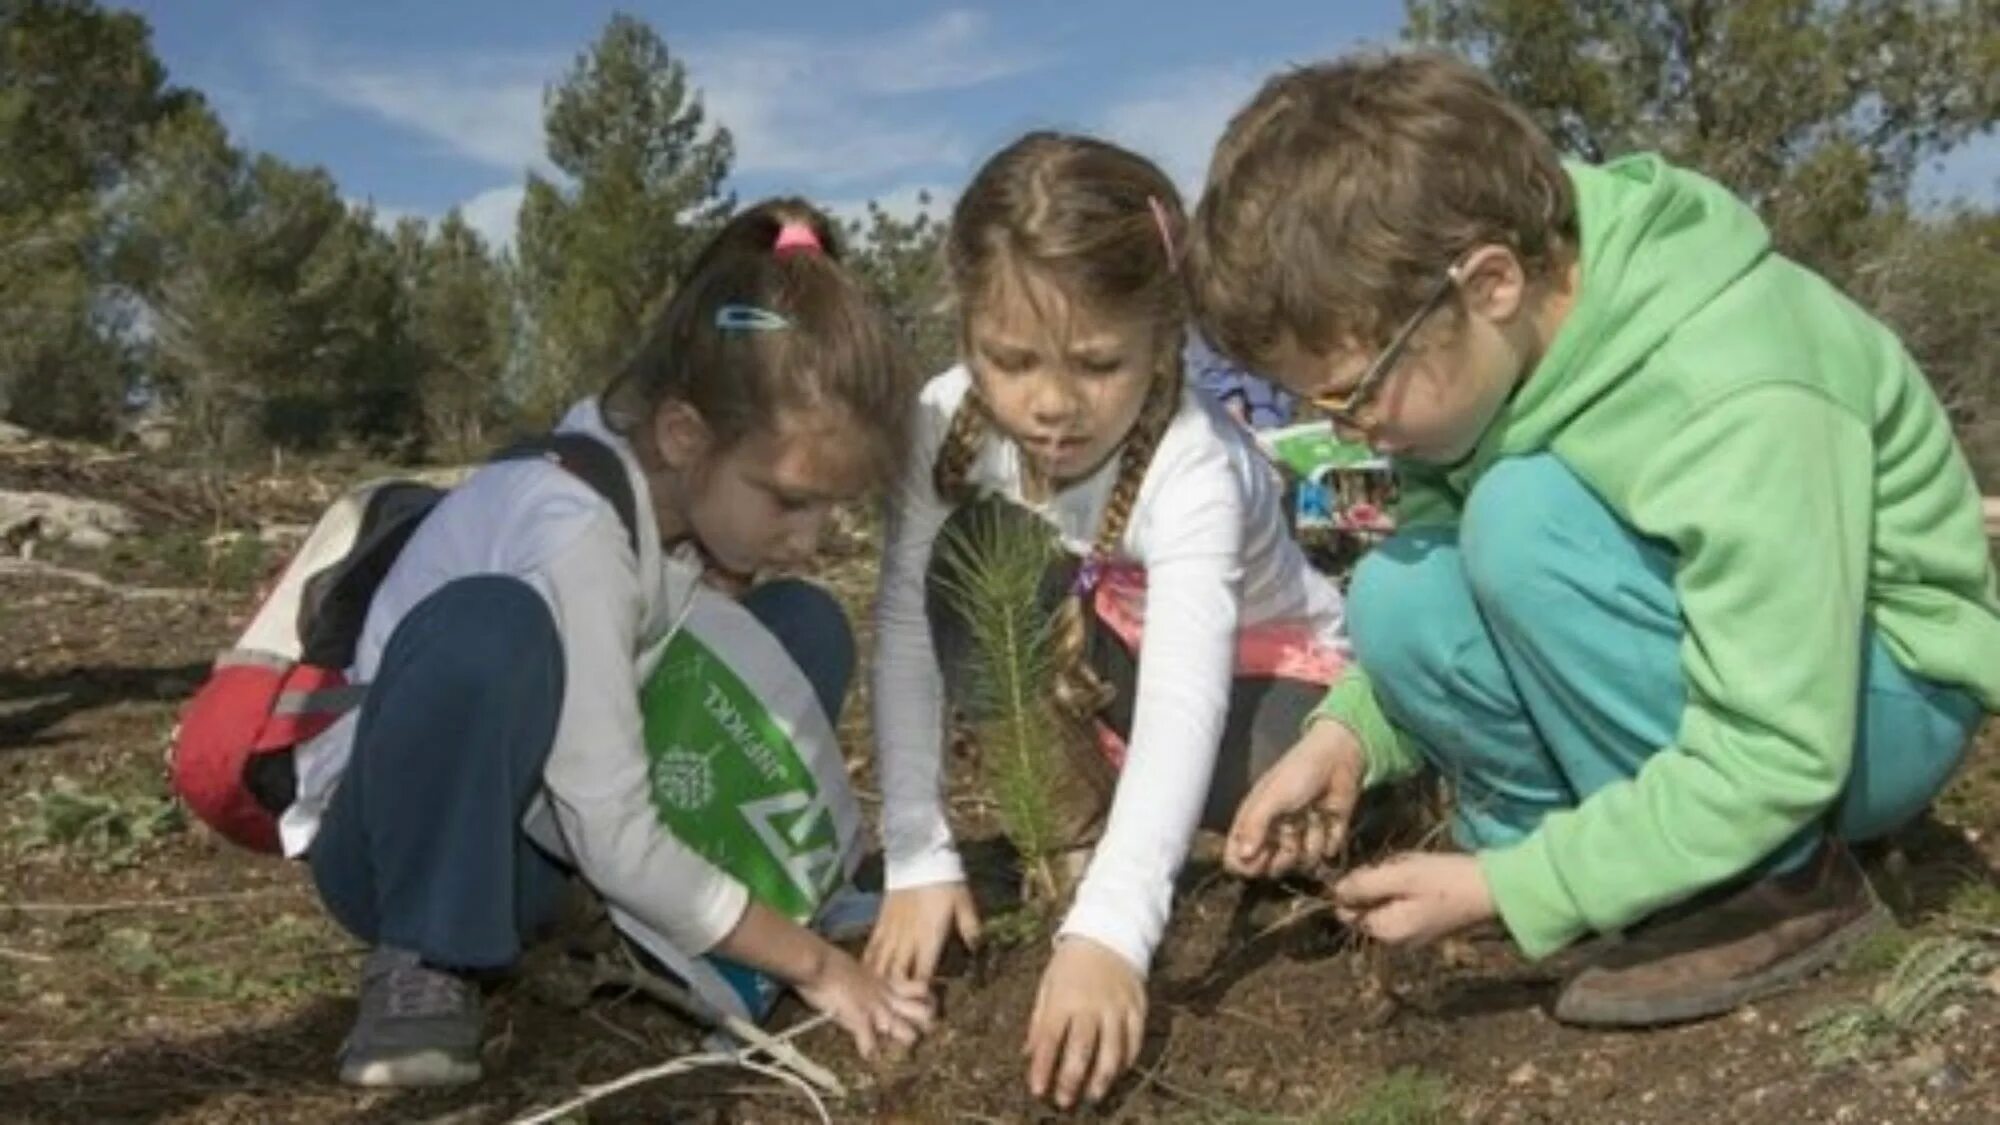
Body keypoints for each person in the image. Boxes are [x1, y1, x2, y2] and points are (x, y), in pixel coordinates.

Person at [1189, 51, 1998, 1026]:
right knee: (1397, 591)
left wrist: (1506, 889)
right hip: (1729, 693)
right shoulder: (1483, 353)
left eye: (1351, 391)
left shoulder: (1734, 380)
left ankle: (1776, 889)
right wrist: (1345, 736)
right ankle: (1597, 874)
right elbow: (1439, 589)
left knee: (1521, 517)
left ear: (1487, 281)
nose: (1344, 428)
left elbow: (1782, 742)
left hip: (1871, 708)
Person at [292, 199, 934, 1086]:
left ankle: (678, 919)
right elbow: (613, 830)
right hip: (396, 850)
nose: (811, 535)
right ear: (683, 434)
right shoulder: (571, 530)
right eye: (789, 499)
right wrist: (819, 968)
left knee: (802, 626)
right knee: (493, 629)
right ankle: (427, 960)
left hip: (551, 837)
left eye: (833, 507)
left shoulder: (652, 466)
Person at [864, 132, 1348, 1107]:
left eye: (1095, 363)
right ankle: (1073, 842)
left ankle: (1170, 853)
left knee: (1282, 804)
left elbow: (1182, 700)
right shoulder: (943, 423)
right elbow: (908, 626)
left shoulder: (1192, 468)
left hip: (1271, 678)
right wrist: (915, 851)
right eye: (1009, 360)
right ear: (965, 335)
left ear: (1163, 336)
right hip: (1116, 647)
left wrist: (1112, 936)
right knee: (966, 567)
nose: (1049, 405)